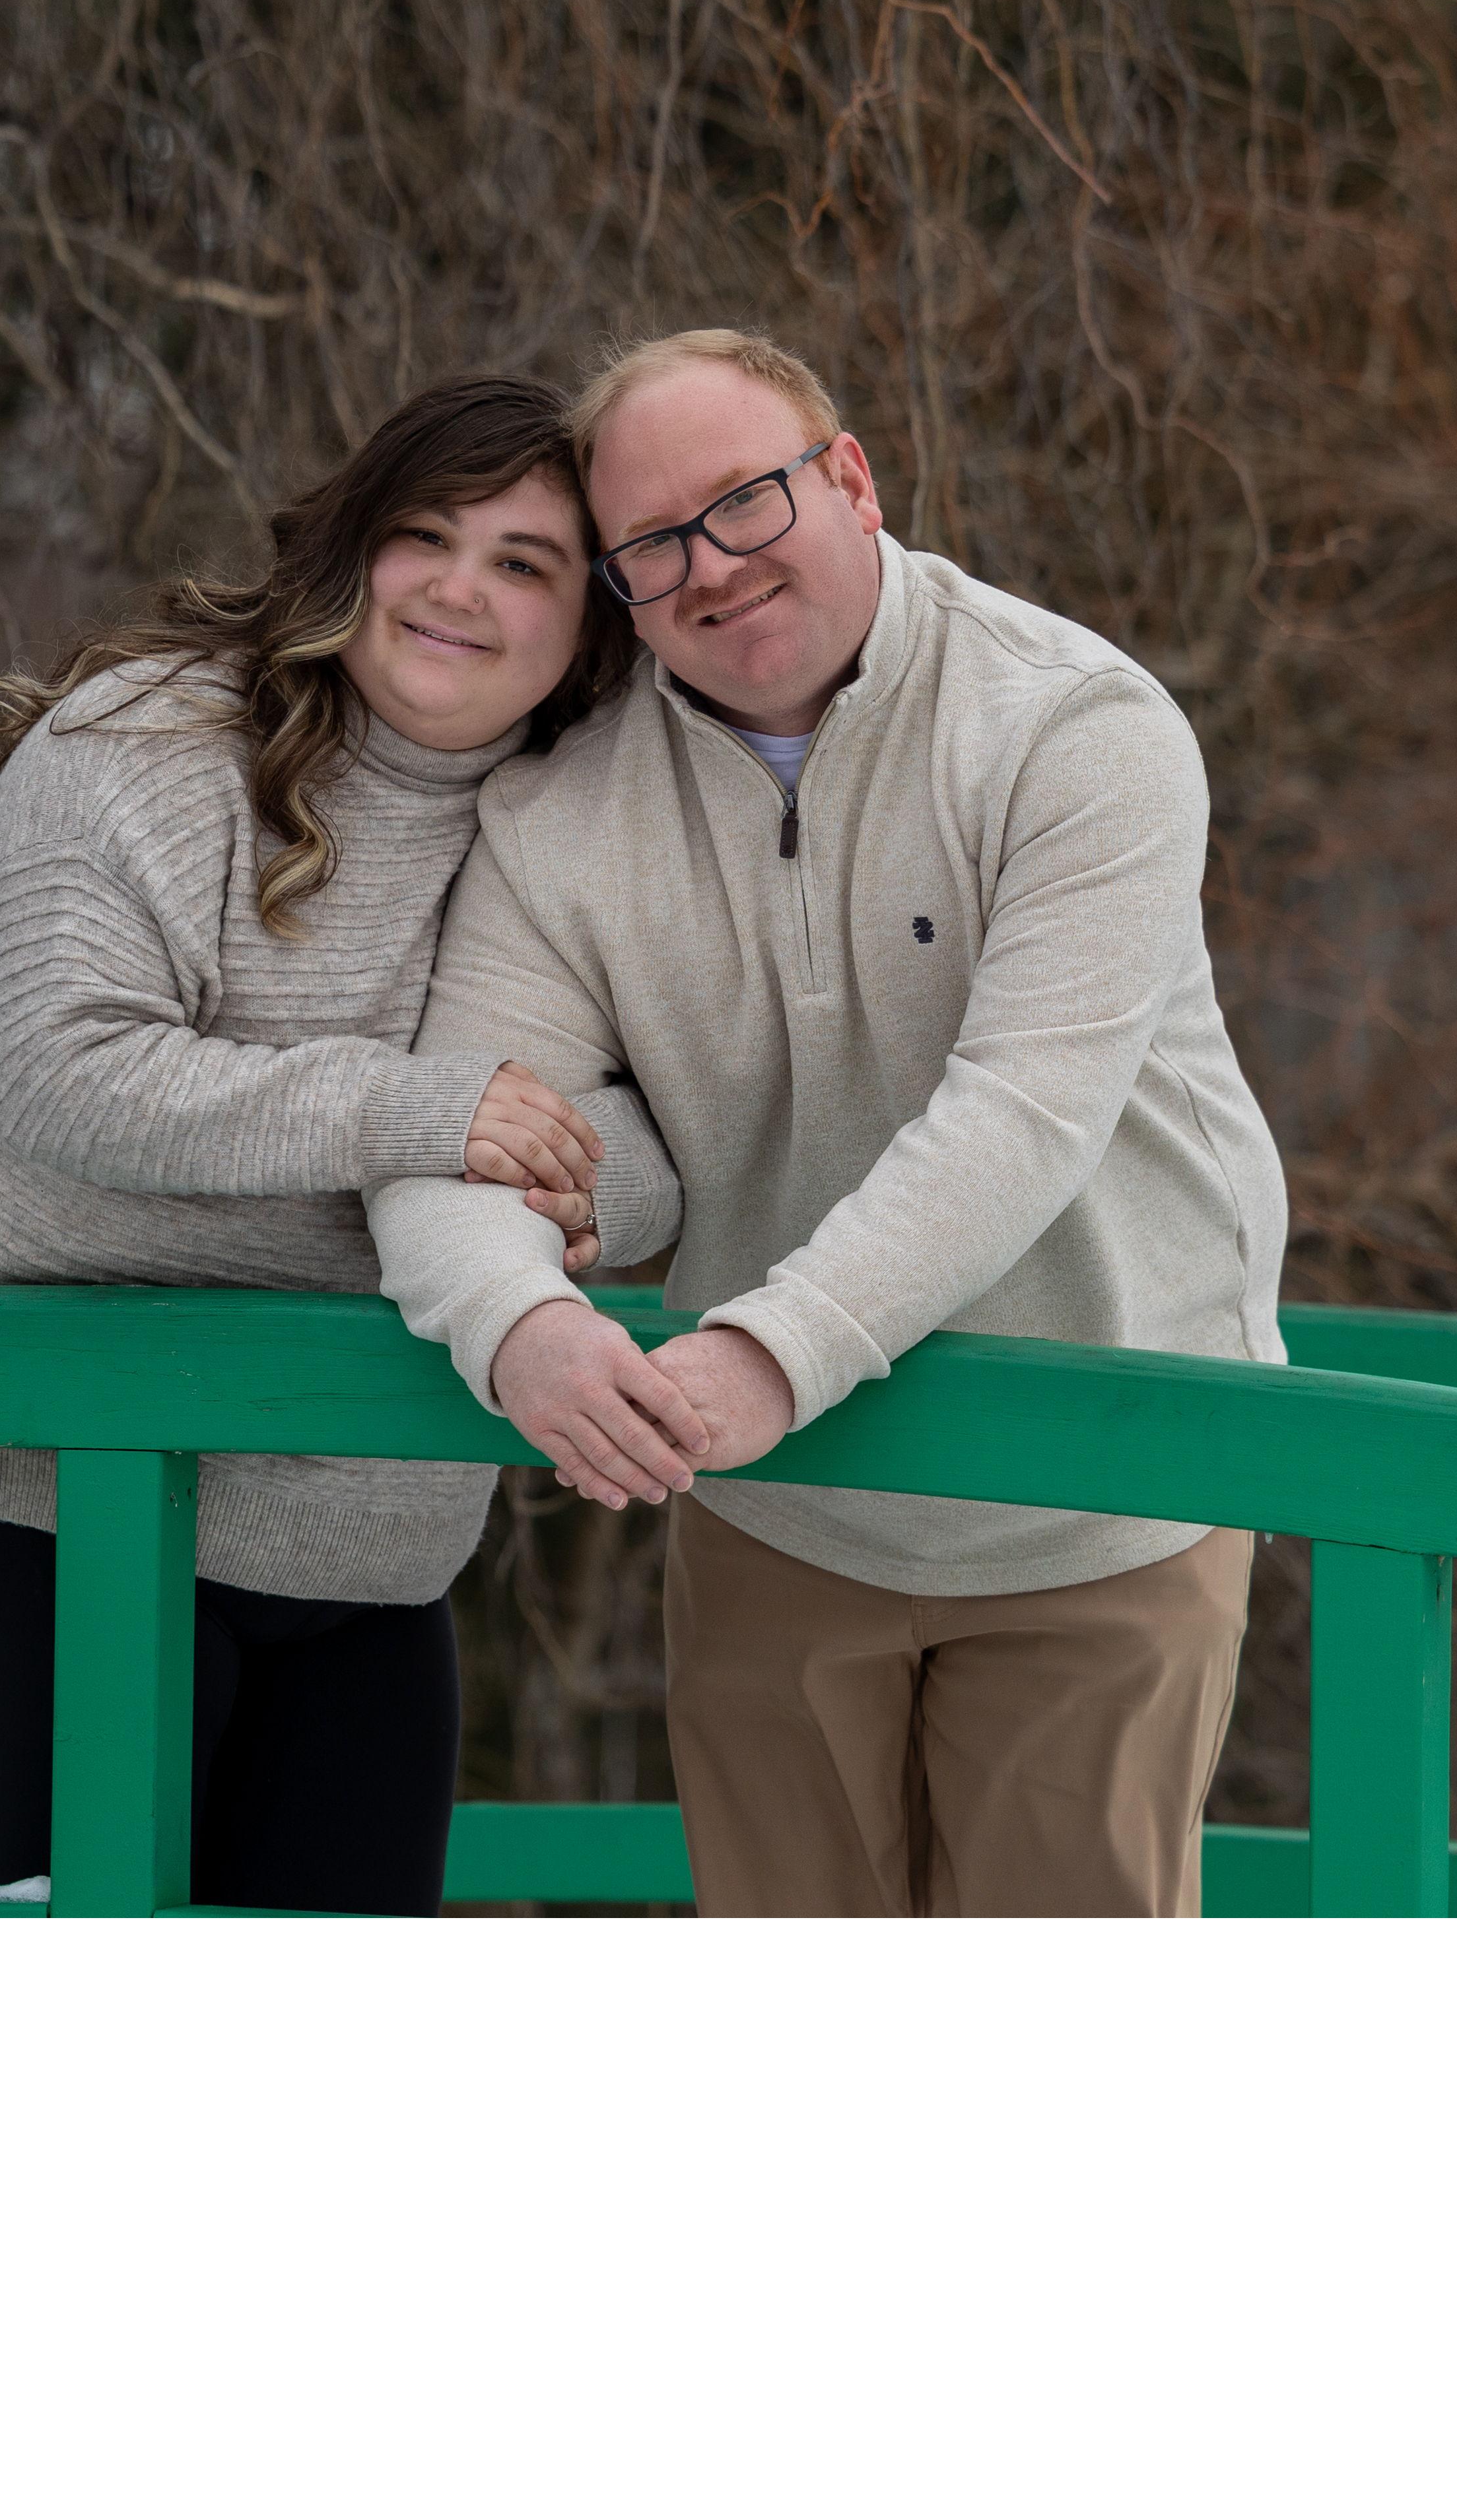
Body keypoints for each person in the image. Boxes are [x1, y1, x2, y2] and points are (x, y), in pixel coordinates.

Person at [366, 328, 1289, 1917]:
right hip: (775, 1515)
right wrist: (520, 1324)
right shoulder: (556, 818)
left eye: (744, 501)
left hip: (1101, 1495)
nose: (711, 568)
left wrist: (768, 1352)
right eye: (652, 547)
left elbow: (1024, 1112)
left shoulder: (1075, 727)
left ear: (850, 478)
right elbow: (463, 1132)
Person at [0, 374, 683, 1915]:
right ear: (351, 544)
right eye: (425, 535)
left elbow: (673, 1135)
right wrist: (428, 1114)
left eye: (523, 562)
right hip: (46, 1474)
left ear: (593, 624)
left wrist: (568, 1194)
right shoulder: (144, 742)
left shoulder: (589, 831)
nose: (458, 589)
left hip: (376, 1509)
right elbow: (60, 1071)